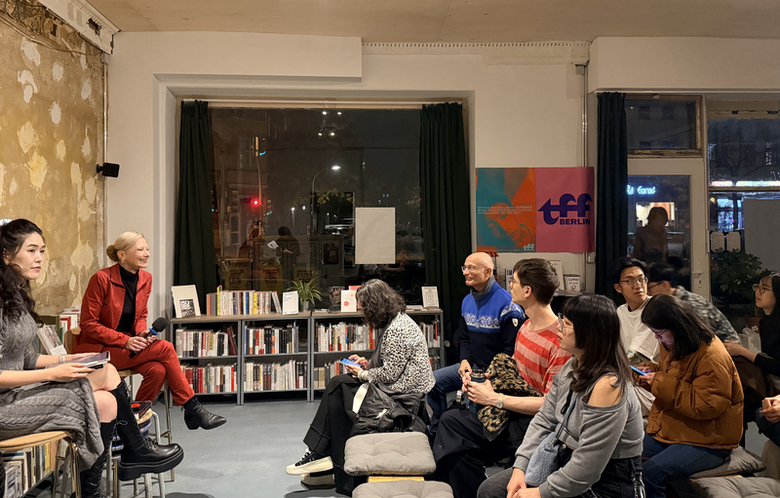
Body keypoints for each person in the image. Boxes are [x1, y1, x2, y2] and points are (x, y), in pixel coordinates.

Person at [0, 219, 183, 498]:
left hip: (20, 392)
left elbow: (26, 357)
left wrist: (70, 359)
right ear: (6, 255)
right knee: (108, 375)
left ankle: (92, 489)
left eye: (42, 251)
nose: (40, 258)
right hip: (6, 406)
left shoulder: (15, 295)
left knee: (107, 401)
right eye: (32, 250)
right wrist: (53, 373)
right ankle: (136, 449)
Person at [477, 295, 644, 498]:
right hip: (564, 456)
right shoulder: (572, 365)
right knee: (491, 491)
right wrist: (520, 467)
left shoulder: (608, 385)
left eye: (567, 324)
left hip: (608, 479)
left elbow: (588, 466)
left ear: (589, 333)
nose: (558, 327)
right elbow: (545, 418)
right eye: (561, 319)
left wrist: (540, 493)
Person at [430, 258, 570, 498]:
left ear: (528, 291)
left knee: (452, 430)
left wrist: (494, 398)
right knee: (450, 425)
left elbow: (551, 406)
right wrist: (486, 382)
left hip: (529, 425)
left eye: (513, 282)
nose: (509, 286)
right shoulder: (526, 328)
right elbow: (510, 372)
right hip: (510, 412)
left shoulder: (559, 342)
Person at [285, 279, 435, 494]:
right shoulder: (397, 322)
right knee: (340, 388)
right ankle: (323, 455)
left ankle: (320, 453)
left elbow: (390, 375)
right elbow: (390, 364)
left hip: (402, 395)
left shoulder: (398, 330)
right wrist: (367, 364)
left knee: (338, 387)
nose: (361, 311)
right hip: (395, 387)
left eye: (363, 307)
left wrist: (363, 373)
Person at [76, 232, 226, 430]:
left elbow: (141, 315)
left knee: (158, 370)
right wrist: (125, 340)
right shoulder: (101, 279)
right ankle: (192, 408)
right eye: (140, 250)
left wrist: (141, 333)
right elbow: (88, 323)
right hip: (100, 350)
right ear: (121, 255)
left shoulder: (145, 278)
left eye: (147, 249)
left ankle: (135, 426)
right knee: (165, 348)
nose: (146, 253)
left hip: (128, 345)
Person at [638, 293, 743, 498]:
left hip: (710, 441)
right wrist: (652, 371)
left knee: (649, 474)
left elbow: (707, 405)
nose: (658, 339)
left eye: (659, 333)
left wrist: (659, 381)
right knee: (625, 453)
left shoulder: (711, 356)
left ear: (677, 326)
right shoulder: (675, 343)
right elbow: (677, 378)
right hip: (680, 428)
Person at [427, 252, 525, 435]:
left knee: (473, 408)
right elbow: (464, 338)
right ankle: (437, 432)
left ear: (487, 272)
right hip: (473, 367)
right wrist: (464, 361)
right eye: (464, 268)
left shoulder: (508, 305)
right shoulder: (467, 301)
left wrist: (487, 376)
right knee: (431, 381)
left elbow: (511, 350)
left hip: (495, 373)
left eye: (471, 268)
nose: (465, 272)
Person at [724, 271, 780, 441]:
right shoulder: (765, 320)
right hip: (769, 374)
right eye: (757, 287)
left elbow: (778, 366)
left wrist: (744, 352)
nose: (758, 292)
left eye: (765, 289)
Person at [648, 262, 739, 342]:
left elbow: (704, 337)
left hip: (726, 348)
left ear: (665, 285)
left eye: (650, 288)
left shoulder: (689, 304)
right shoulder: (670, 303)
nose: (648, 292)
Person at [613, 257, 659, 363]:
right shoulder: (620, 311)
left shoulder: (656, 309)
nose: (638, 286)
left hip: (651, 370)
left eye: (641, 279)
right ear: (618, 288)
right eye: (630, 281)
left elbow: (639, 357)